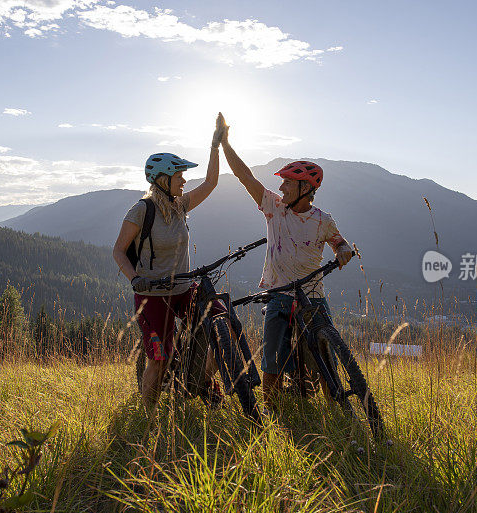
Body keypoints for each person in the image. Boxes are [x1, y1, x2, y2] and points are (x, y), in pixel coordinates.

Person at [218, 113, 354, 410]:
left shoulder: (323, 220)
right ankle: (271, 410)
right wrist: (225, 145)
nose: (281, 188)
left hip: (313, 295)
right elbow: (245, 177)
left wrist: (342, 251)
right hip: (279, 293)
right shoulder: (274, 208)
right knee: (273, 360)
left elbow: (339, 242)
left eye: (288, 184)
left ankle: (338, 410)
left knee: (326, 356)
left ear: (306, 189)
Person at [112, 114, 227, 410]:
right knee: (159, 360)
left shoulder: (181, 205)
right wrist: (135, 279)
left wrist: (215, 145)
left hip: (184, 289)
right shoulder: (141, 211)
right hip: (152, 295)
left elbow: (212, 182)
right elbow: (119, 251)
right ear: (163, 180)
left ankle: (196, 380)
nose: (185, 181)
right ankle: (147, 416)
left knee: (221, 328)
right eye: (179, 176)